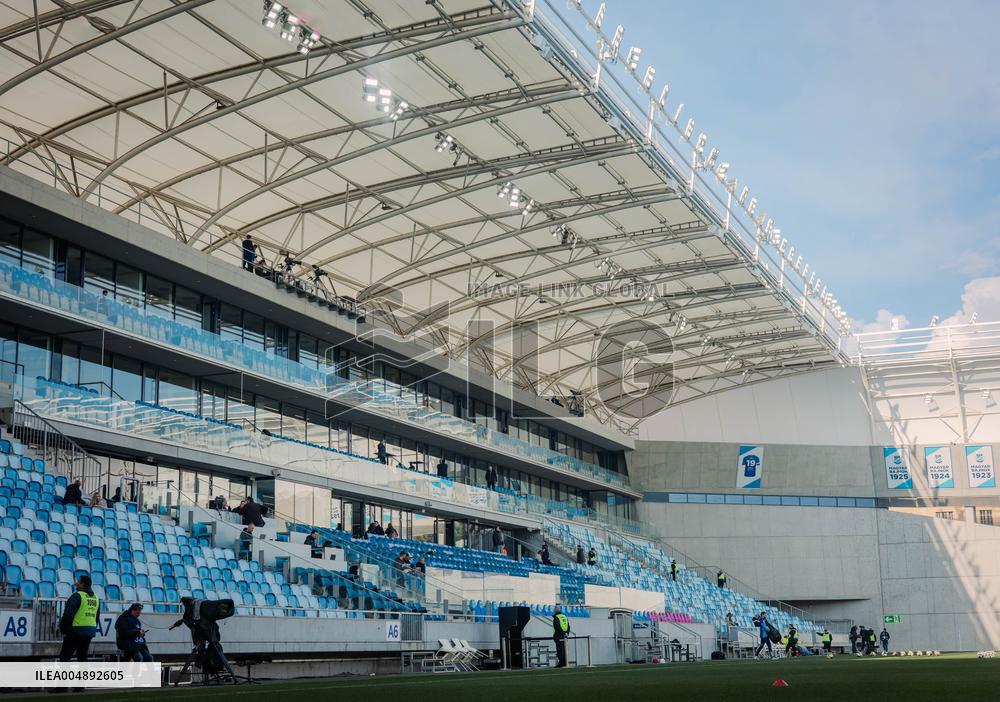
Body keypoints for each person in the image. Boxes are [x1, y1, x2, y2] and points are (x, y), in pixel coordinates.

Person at [59, 575, 101, 663]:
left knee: (65, 657)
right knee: (82, 657)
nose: (76, 583)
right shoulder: (96, 598)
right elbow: (97, 616)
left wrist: (64, 628)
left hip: (76, 630)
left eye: (78, 581)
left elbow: (68, 614)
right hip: (89, 630)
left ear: (82, 584)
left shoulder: (77, 596)